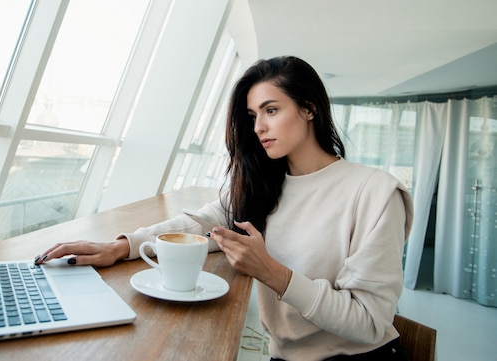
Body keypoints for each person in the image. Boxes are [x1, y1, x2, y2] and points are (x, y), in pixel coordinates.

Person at [35, 56, 413, 361]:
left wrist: (272, 273)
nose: (259, 127)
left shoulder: (375, 192)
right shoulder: (265, 186)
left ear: (310, 108)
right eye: (252, 117)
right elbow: (202, 222)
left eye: (271, 110)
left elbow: (369, 322)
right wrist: (120, 247)